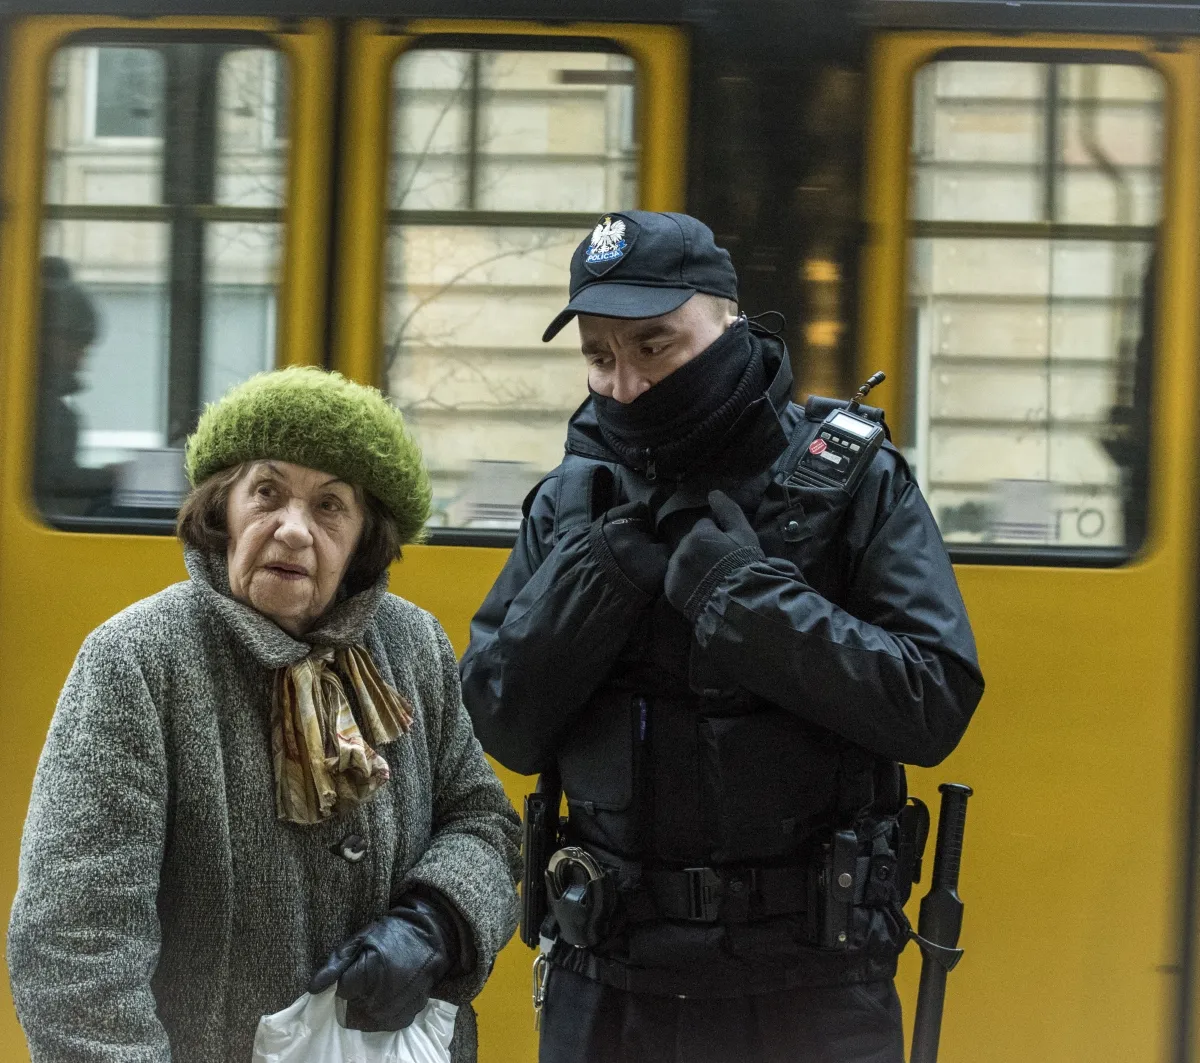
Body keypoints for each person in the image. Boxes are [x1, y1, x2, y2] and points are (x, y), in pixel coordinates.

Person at [460, 211, 984, 1063]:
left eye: (654, 346)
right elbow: (499, 718)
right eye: (599, 355)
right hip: (610, 983)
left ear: (729, 322)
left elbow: (933, 699)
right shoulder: (572, 500)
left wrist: (744, 602)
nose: (625, 383)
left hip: (808, 991)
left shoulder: (852, 483)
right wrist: (595, 578)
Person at [8, 367, 521, 1063]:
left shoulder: (414, 645)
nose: (293, 530)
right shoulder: (135, 661)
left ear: (365, 535)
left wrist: (436, 924)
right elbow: (76, 943)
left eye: (330, 506)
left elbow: (483, 821)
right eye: (267, 493)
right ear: (223, 510)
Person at [34, 256, 116, 512]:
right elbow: (47, 479)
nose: (81, 359)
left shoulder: (46, 405)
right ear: (42, 336)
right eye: (75, 344)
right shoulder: (38, 410)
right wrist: (113, 478)